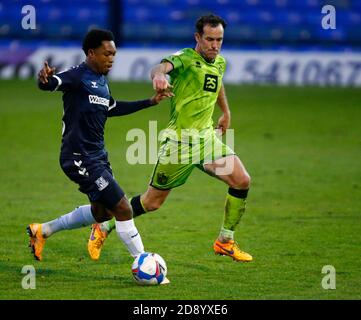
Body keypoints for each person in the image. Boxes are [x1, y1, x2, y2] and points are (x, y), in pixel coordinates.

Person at [88, 14, 253, 262]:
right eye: (209, 39)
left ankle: (225, 241)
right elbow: (161, 66)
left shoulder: (219, 62)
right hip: (179, 144)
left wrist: (226, 112)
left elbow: (217, 83)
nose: (214, 45)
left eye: (219, 40)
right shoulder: (186, 58)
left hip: (207, 139)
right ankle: (104, 226)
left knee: (241, 180)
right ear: (198, 37)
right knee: (152, 202)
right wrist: (159, 75)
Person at [27, 29, 171, 262]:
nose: (111, 59)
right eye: (107, 54)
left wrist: (150, 102)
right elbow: (51, 83)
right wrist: (43, 79)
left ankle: (42, 231)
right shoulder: (77, 76)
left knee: (101, 213)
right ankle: (144, 262)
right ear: (91, 53)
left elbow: (111, 108)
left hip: (98, 156)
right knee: (123, 208)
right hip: (78, 157)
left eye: (114, 54)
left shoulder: (102, 82)